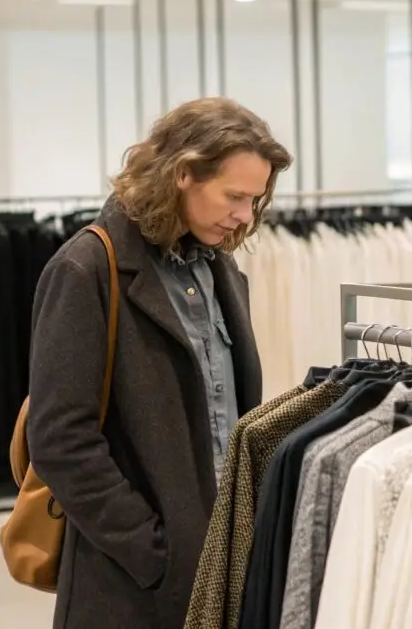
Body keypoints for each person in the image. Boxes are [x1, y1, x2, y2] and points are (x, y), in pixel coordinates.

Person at [26, 97, 293, 629]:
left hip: (224, 570)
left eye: (254, 200)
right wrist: (156, 553)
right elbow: (60, 441)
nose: (245, 215)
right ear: (182, 174)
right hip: (132, 588)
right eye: (234, 196)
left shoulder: (221, 270)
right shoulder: (86, 271)